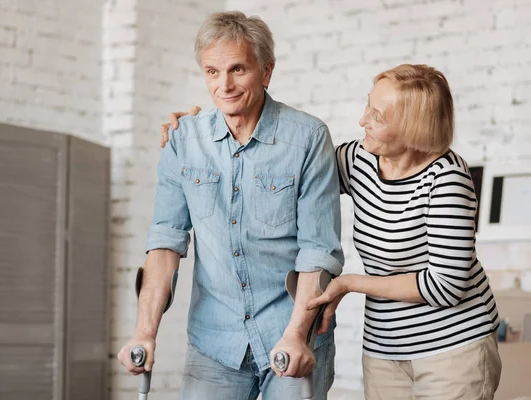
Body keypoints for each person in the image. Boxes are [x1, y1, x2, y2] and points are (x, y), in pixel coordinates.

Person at [161, 64, 502, 399]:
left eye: (377, 116)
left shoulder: (447, 181)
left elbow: (445, 286)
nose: (362, 120)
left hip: (453, 349)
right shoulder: (358, 159)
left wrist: (349, 282)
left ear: (413, 129)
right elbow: (285, 173)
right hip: (385, 348)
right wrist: (205, 131)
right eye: (368, 105)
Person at [118, 11, 344, 400]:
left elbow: (318, 252)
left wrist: (295, 334)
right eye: (212, 72)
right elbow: (165, 243)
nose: (224, 85)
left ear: (266, 71)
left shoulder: (308, 138)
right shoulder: (182, 140)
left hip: (289, 332)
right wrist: (144, 331)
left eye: (238, 69)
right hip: (214, 340)